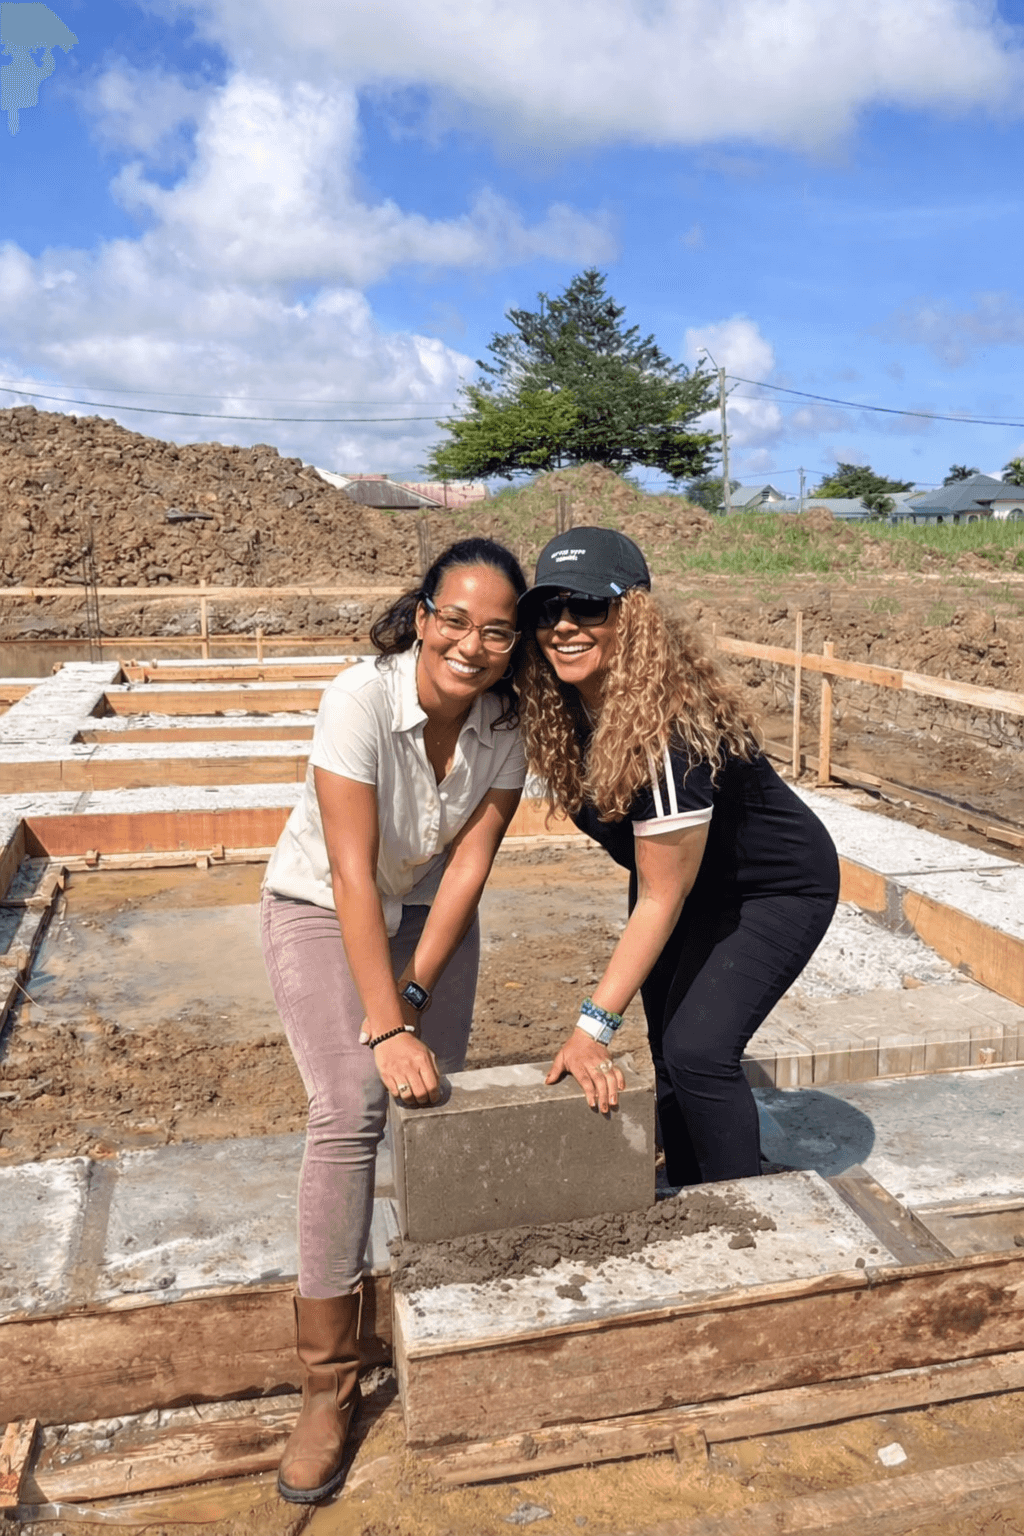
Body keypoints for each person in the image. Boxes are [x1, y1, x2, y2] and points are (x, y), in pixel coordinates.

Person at [260, 538, 527, 1503]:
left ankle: (435, 1317)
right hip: (318, 904)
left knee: (429, 1106)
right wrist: (384, 1026)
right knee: (348, 1106)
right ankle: (327, 1385)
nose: (472, 644)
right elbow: (347, 872)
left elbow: (468, 868)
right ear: (422, 617)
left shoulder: (507, 726)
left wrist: (413, 1000)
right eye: (454, 620)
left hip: (426, 914)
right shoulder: (359, 700)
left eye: (497, 631)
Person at [518, 526, 839, 1187]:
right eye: (548, 609)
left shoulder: (668, 734)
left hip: (772, 889)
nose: (564, 625)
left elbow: (661, 898)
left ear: (632, 616)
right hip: (682, 882)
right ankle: (691, 1187)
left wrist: (591, 1029)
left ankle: (746, 1211)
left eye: (589, 606)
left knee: (699, 1051)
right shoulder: (560, 706)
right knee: (668, 1046)